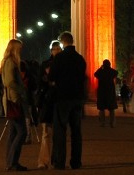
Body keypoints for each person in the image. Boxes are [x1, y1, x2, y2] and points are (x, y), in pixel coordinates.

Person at [48, 31, 87, 170]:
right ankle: (76, 162)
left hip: (63, 98)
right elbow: (83, 77)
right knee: (76, 131)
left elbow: (52, 77)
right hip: (77, 98)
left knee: (60, 131)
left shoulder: (59, 58)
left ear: (62, 42)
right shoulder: (80, 58)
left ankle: (59, 162)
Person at [0, 38, 31, 172]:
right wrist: (22, 90)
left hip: (11, 99)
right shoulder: (11, 62)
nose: (21, 51)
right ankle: (13, 162)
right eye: (19, 49)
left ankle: (10, 162)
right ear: (14, 49)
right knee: (22, 132)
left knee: (13, 133)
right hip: (14, 100)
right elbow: (9, 82)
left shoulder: (7, 62)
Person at [36, 39, 61, 169]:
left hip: (59, 101)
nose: (56, 51)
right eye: (54, 49)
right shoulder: (45, 64)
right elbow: (40, 81)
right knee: (46, 133)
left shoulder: (64, 63)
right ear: (51, 50)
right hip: (48, 101)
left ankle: (56, 160)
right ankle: (43, 161)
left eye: (58, 49)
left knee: (58, 134)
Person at [94, 59, 119, 128]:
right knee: (112, 109)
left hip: (102, 91)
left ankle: (102, 123)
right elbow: (116, 72)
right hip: (110, 91)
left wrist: (100, 68)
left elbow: (95, 74)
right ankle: (112, 123)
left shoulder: (101, 72)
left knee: (102, 109)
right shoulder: (111, 72)